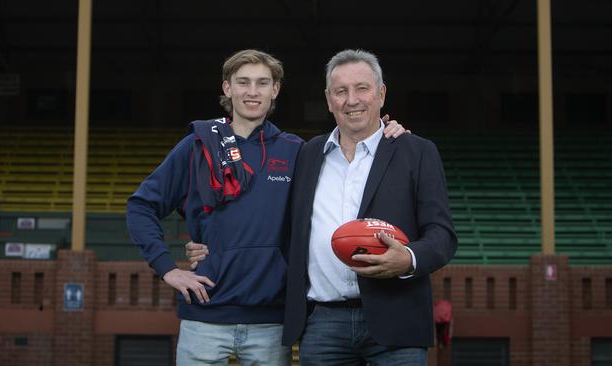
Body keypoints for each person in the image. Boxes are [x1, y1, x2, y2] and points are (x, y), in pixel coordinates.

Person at [127, 49, 406, 366]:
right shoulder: (197, 144)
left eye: (262, 83)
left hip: (272, 323)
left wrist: (387, 132)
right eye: (242, 82)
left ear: (275, 90)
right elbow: (141, 206)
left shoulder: (297, 151)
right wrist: (168, 269)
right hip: (204, 316)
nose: (252, 91)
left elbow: (350, 162)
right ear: (227, 88)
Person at [281, 49, 457, 365]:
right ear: (328, 99)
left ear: (381, 93)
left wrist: (408, 259)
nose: (352, 100)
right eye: (341, 91)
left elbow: (442, 234)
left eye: (362, 88)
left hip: (397, 319)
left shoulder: (417, 152)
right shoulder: (307, 154)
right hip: (322, 323)